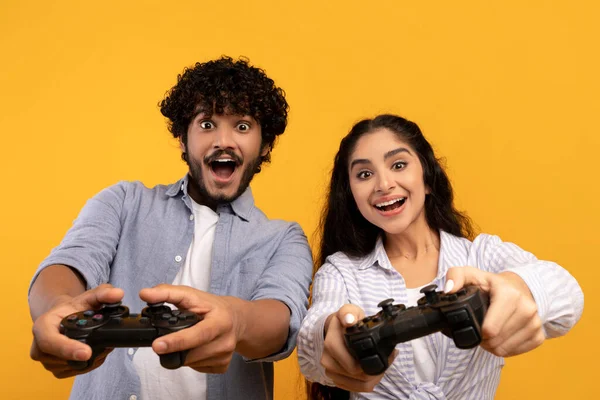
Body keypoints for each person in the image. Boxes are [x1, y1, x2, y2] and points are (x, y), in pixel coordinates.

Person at [28, 56, 313, 400]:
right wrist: (58, 307)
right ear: (182, 138)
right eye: (207, 124)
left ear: (265, 144)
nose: (224, 141)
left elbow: (281, 320)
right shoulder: (124, 202)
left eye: (242, 126)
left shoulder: (283, 238)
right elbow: (70, 260)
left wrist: (237, 321)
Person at [297, 114, 584, 399]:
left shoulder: (480, 256)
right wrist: (328, 331)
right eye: (364, 174)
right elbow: (310, 348)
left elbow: (567, 292)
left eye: (398, 165)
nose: (383, 184)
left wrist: (521, 288)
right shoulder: (341, 272)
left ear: (428, 179)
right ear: (351, 196)